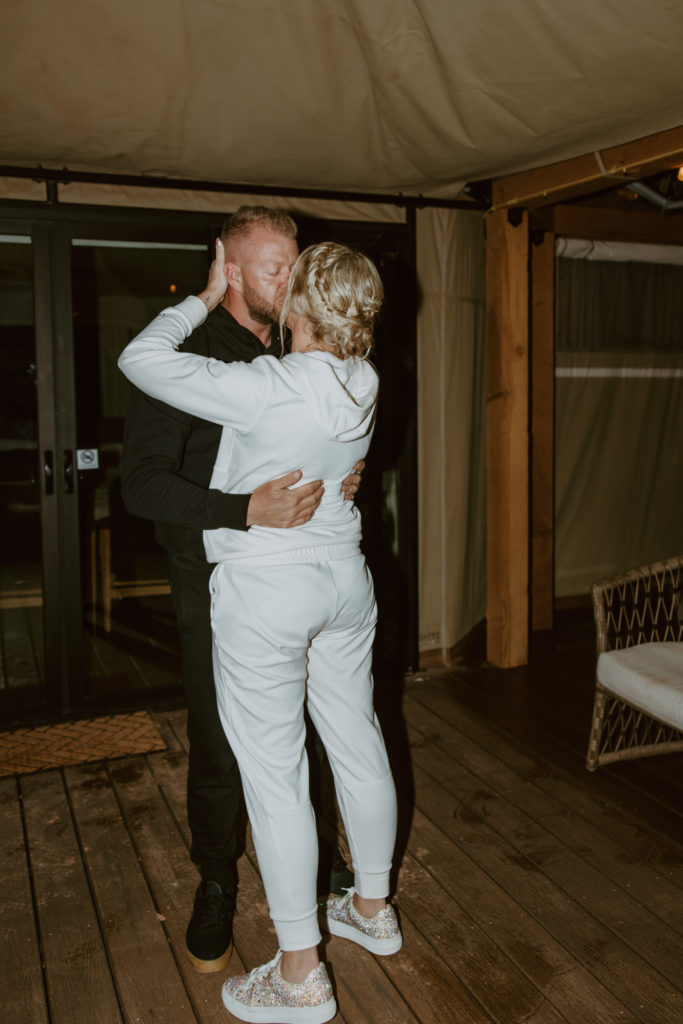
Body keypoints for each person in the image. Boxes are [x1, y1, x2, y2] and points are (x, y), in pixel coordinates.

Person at [119, 239, 401, 1024]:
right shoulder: (366, 378)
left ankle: (299, 971)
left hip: (268, 590)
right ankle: (372, 909)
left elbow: (140, 359)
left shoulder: (263, 385)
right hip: (344, 581)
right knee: (357, 741)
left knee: (275, 778)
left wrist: (206, 296)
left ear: (301, 307)